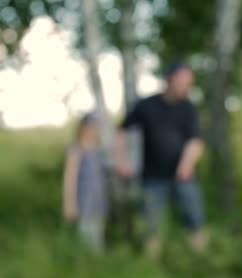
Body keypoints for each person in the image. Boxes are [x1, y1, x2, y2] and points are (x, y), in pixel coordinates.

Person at [115, 63, 207, 258]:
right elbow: (121, 131)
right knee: (151, 224)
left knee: (194, 219)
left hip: (184, 177)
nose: (187, 87)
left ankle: (201, 262)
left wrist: (187, 164)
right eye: (183, 82)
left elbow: (195, 141)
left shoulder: (188, 108)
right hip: (152, 178)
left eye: (189, 83)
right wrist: (121, 161)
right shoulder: (146, 105)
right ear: (169, 80)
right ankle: (151, 267)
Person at [62, 113, 108, 252]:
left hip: (97, 197)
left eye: (96, 127)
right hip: (83, 198)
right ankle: (85, 261)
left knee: (97, 231)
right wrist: (69, 202)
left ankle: (97, 259)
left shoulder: (98, 149)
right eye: (90, 126)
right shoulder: (76, 149)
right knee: (85, 231)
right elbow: (70, 178)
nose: (93, 130)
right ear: (83, 127)